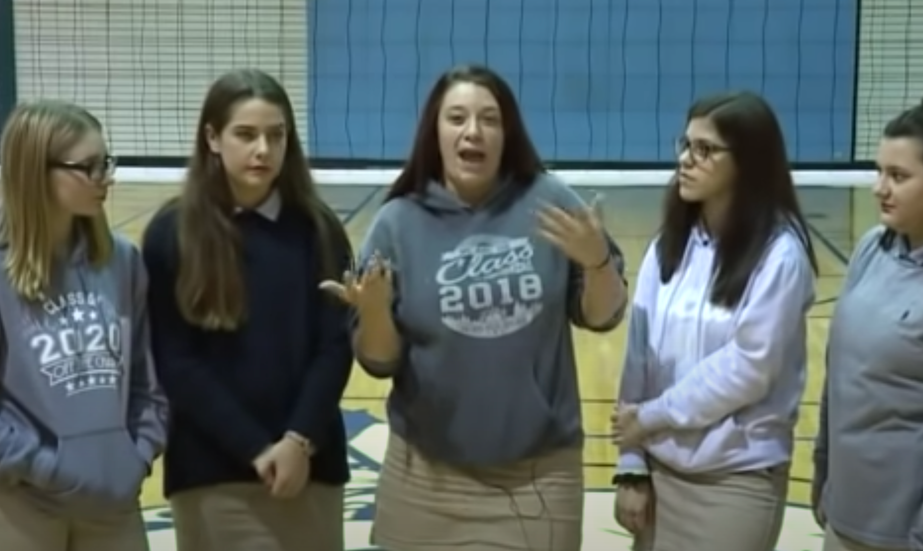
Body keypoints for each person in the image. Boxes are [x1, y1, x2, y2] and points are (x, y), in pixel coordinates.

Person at [320, 63, 628, 551]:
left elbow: (603, 314)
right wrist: (375, 311)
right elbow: (379, 362)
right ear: (435, 132)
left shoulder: (551, 202)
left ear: (507, 133)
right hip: (424, 480)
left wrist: (596, 263)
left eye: (489, 119)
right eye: (457, 118)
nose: (473, 131)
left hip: (538, 477)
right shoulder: (396, 222)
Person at [141, 69, 354, 551]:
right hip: (213, 471)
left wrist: (297, 442)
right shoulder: (172, 234)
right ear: (212, 138)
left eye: (276, 136)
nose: (263, 149)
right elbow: (175, 360)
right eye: (246, 134)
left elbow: (336, 345)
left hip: (309, 468)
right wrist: (257, 449)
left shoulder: (319, 231)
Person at [610, 91, 819, 551]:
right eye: (685, 145)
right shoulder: (669, 244)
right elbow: (638, 355)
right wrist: (631, 464)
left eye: (705, 150)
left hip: (735, 483)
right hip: (659, 474)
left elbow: (747, 369)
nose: (686, 160)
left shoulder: (780, 256)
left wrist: (648, 418)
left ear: (747, 163)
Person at [813, 93, 923, 551]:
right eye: (879, 171)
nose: (878, 188)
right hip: (844, 518)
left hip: (909, 536)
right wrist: (824, 471)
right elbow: (840, 374)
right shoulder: (873, 247)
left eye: (899, 176)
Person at [0, 100, 168, 550]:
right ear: (37, 172)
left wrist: (137, 456)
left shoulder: (122, 260)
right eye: (89, 167)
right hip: (22, 505)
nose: (106, 177)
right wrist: (46, 468)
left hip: (113, 505)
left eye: (106, 162)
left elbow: (147, 379)